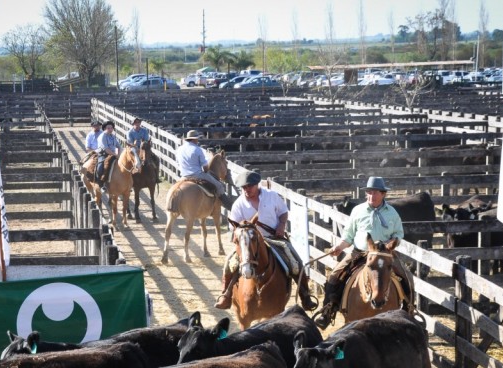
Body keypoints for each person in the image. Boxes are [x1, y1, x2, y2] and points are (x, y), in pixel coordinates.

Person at [311, 176, 414, 329]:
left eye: (375, 193)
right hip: (359, 253)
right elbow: (348, 236)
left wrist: (390, 244)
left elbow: (399, 235)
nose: (372, 196)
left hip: (385, 254)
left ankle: (409, 311)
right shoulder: (358, 211)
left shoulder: (392, 213)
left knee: (407, 277)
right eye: (369, 193)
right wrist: (339, 247)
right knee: (334, 276)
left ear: (383, 194)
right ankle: (327, 311)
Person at [215, 170, 318, 311]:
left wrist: (281, 226)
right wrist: (239, 239)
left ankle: (305, 295)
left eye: (249, 186)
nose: (246, 190)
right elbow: (234, 228)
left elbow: (283, 212)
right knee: (230, 263)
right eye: (244, 188)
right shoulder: (238, 204)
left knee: (295, 262)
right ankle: (225, 294)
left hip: (274, 238)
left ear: (257, 185)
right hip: (249, 242)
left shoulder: (272, 196)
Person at [175, 129, 226, 197]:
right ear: (194, 139)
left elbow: (178, 163)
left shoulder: (179, 149)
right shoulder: (197, 149)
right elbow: (205, 168)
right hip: (197, 175)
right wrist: (206, 170)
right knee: (219, 186)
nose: (198, 140)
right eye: (197, 139)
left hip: (184, 176)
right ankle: (228, 205)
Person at [97, 120, 121, 189]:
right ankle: (101, 183)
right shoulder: (102, 136)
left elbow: (118, 146)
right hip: (103, 154)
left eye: (111, 128)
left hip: (113, 154)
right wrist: (115, 154)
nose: (110, 129)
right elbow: (106, 149)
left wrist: (118, 154)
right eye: (108, 128)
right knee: (100, 168)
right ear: (105, 128)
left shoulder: (113, 136)